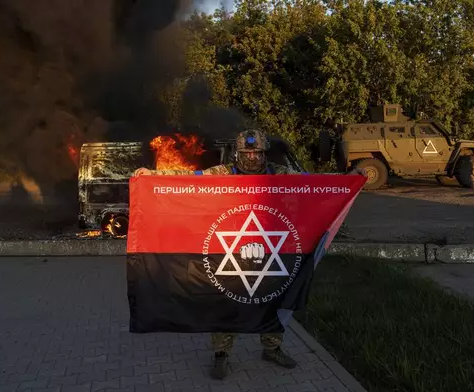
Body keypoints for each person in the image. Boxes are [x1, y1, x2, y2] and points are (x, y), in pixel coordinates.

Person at [134, 129, 366, 379]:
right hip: (230, 249)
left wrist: (348, 177)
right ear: (238, 153)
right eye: (248, 152)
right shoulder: (222, 173)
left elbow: (314, 183)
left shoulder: (278, 172)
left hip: (269, 247)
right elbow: (189, 179)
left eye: (258, 152)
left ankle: (272, 348)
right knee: (226, 302)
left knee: (273, 299)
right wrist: (153, 176)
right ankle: (221, 355)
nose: (253, 157)